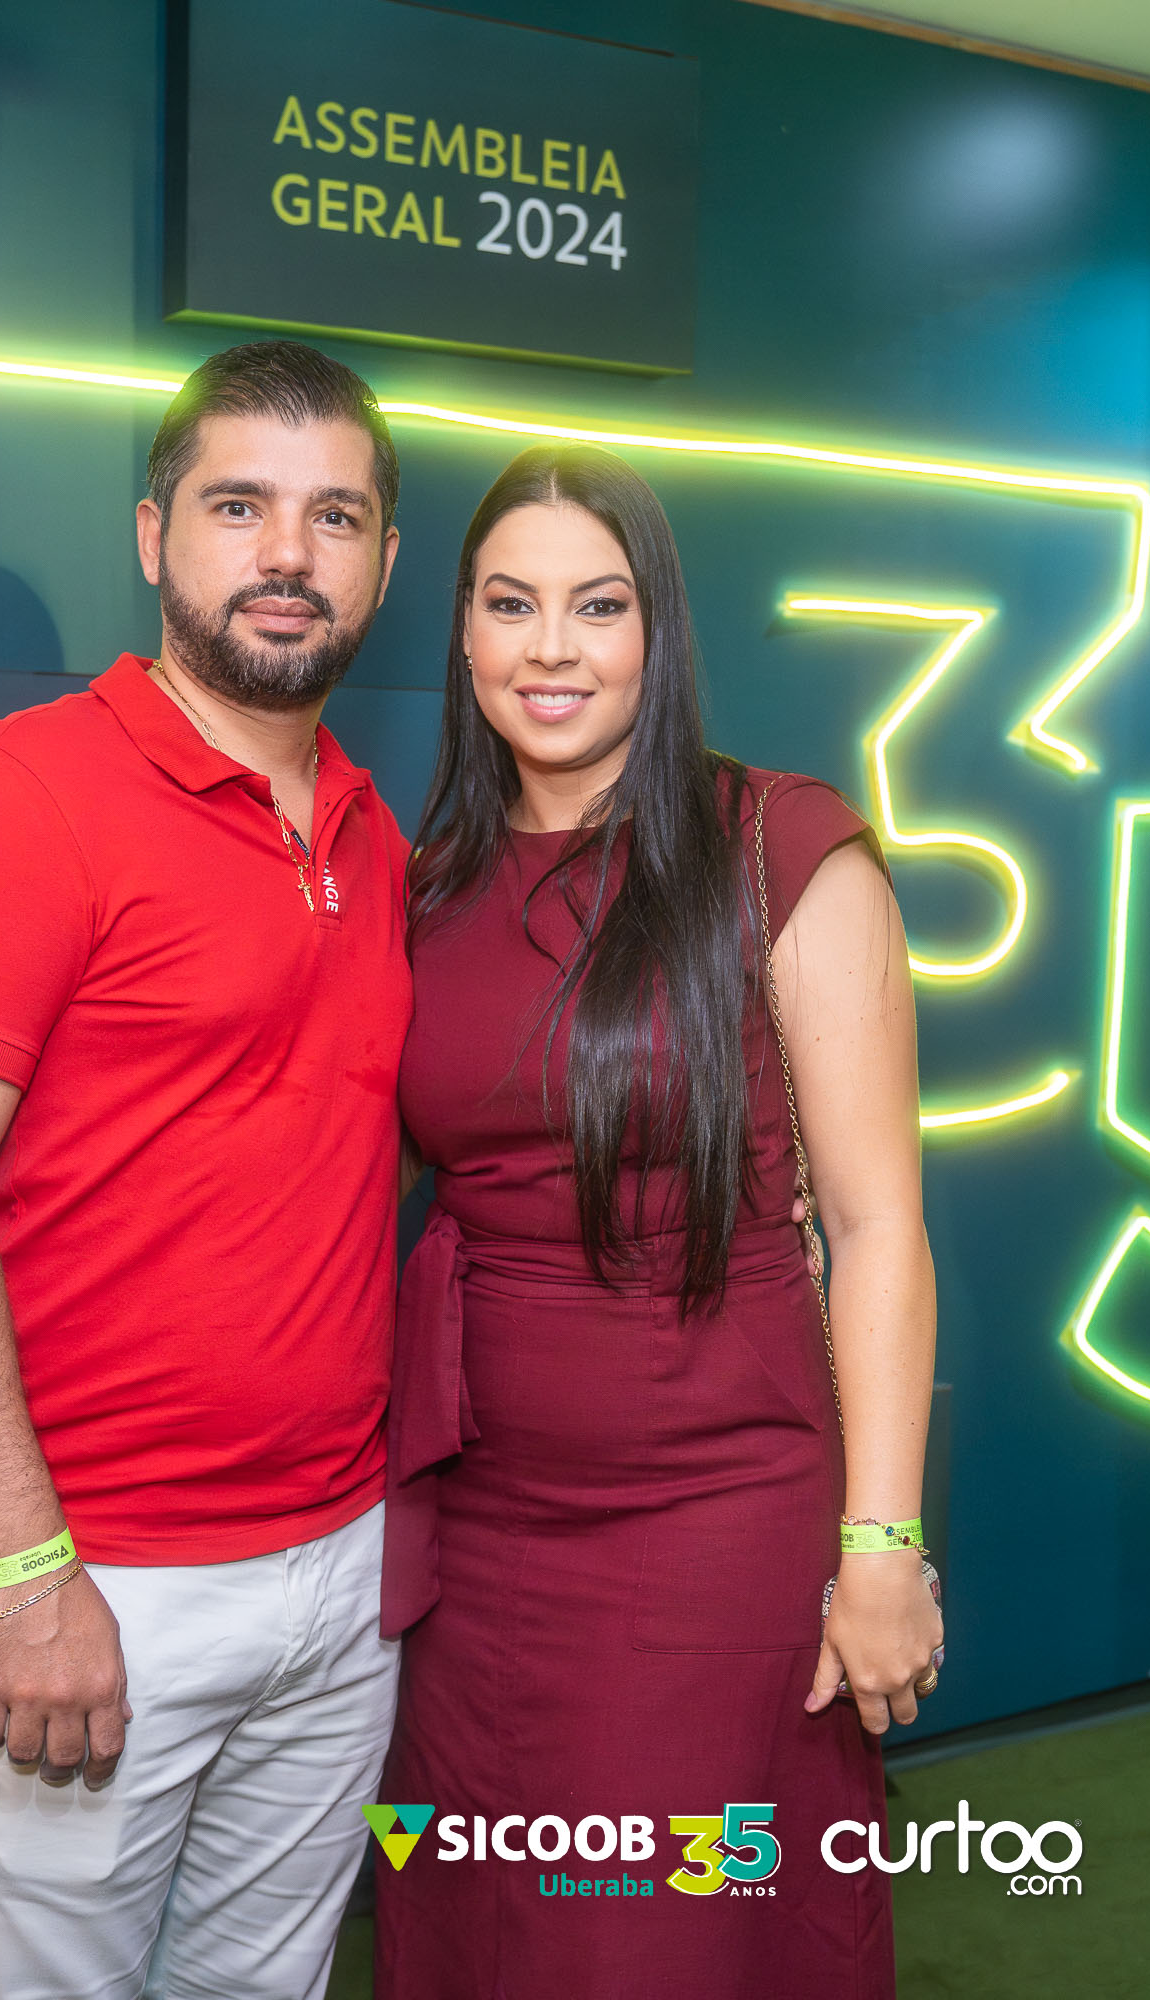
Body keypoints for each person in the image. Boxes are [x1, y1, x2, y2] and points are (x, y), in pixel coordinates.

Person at [0, 339, 410, 1999]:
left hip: (337, 1571)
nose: (287, 553)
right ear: (155, 537)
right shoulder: (25, 796)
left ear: (383, 561)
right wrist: (26, 1572)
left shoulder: (374, 832)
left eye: (334, 516)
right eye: (240, 507)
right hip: (86, 1571)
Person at [374, 445, 942, 1996]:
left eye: (599, 605)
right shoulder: (430, 883)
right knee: (474, 1928)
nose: (551, 648)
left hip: (715, 1520)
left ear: (659, 629)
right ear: (464, 633)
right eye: (511, 604)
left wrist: (883, 1545)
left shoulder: (781, 847)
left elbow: (877, 1228)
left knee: (658, 1940)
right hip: (478, 1535)